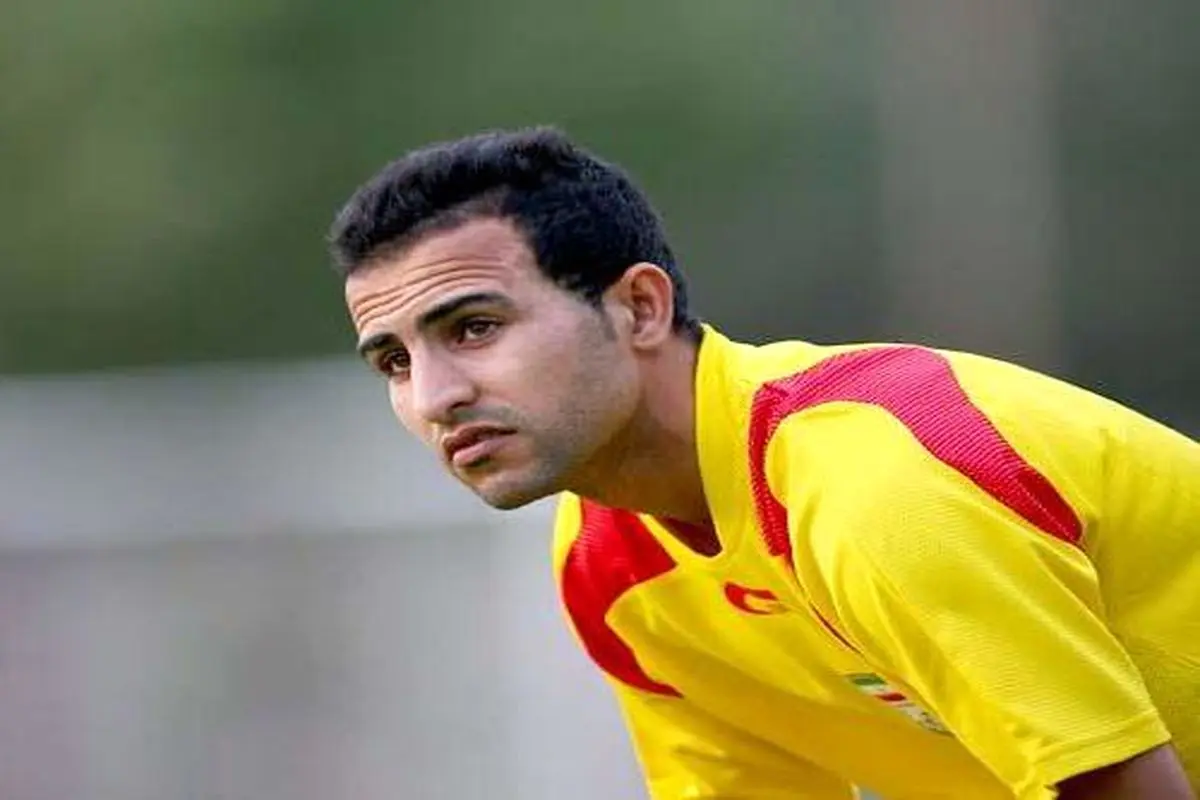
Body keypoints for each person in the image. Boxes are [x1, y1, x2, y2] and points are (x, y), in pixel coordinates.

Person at [327, 127, 1200, 799]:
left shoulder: (876, 481)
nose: (434, 396)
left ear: (639, 308)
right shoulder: (607, 565)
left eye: (474, 328)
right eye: (394, 362)